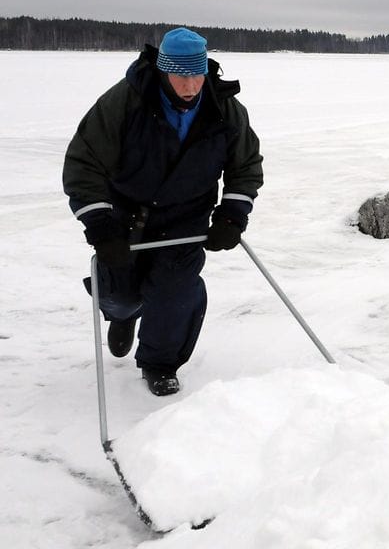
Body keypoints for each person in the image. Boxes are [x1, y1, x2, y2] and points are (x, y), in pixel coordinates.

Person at [63, 27, 264, 396]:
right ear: (163, 71)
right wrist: (100, 227)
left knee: (175, 292)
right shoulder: (126, 102)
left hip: (184, 220)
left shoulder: (225, 109)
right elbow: (83, 163)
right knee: (121, 296)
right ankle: (123, 315)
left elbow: (245, 165)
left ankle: (159, 362)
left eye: (197, 75)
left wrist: (232, 214)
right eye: (181, 76)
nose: (190, 86)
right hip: (125, 218)